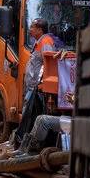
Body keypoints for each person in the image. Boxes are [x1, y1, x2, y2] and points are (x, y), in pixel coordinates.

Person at [12, 18, 55, 147]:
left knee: (29, 115)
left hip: (36, 88)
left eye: (32, 27)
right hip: (32, 86)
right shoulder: (39, 41)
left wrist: (40, 84)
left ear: (40, 30)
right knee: (28, 114)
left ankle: (26, 143)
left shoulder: (46, 42)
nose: (30, 30)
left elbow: (48, 64)